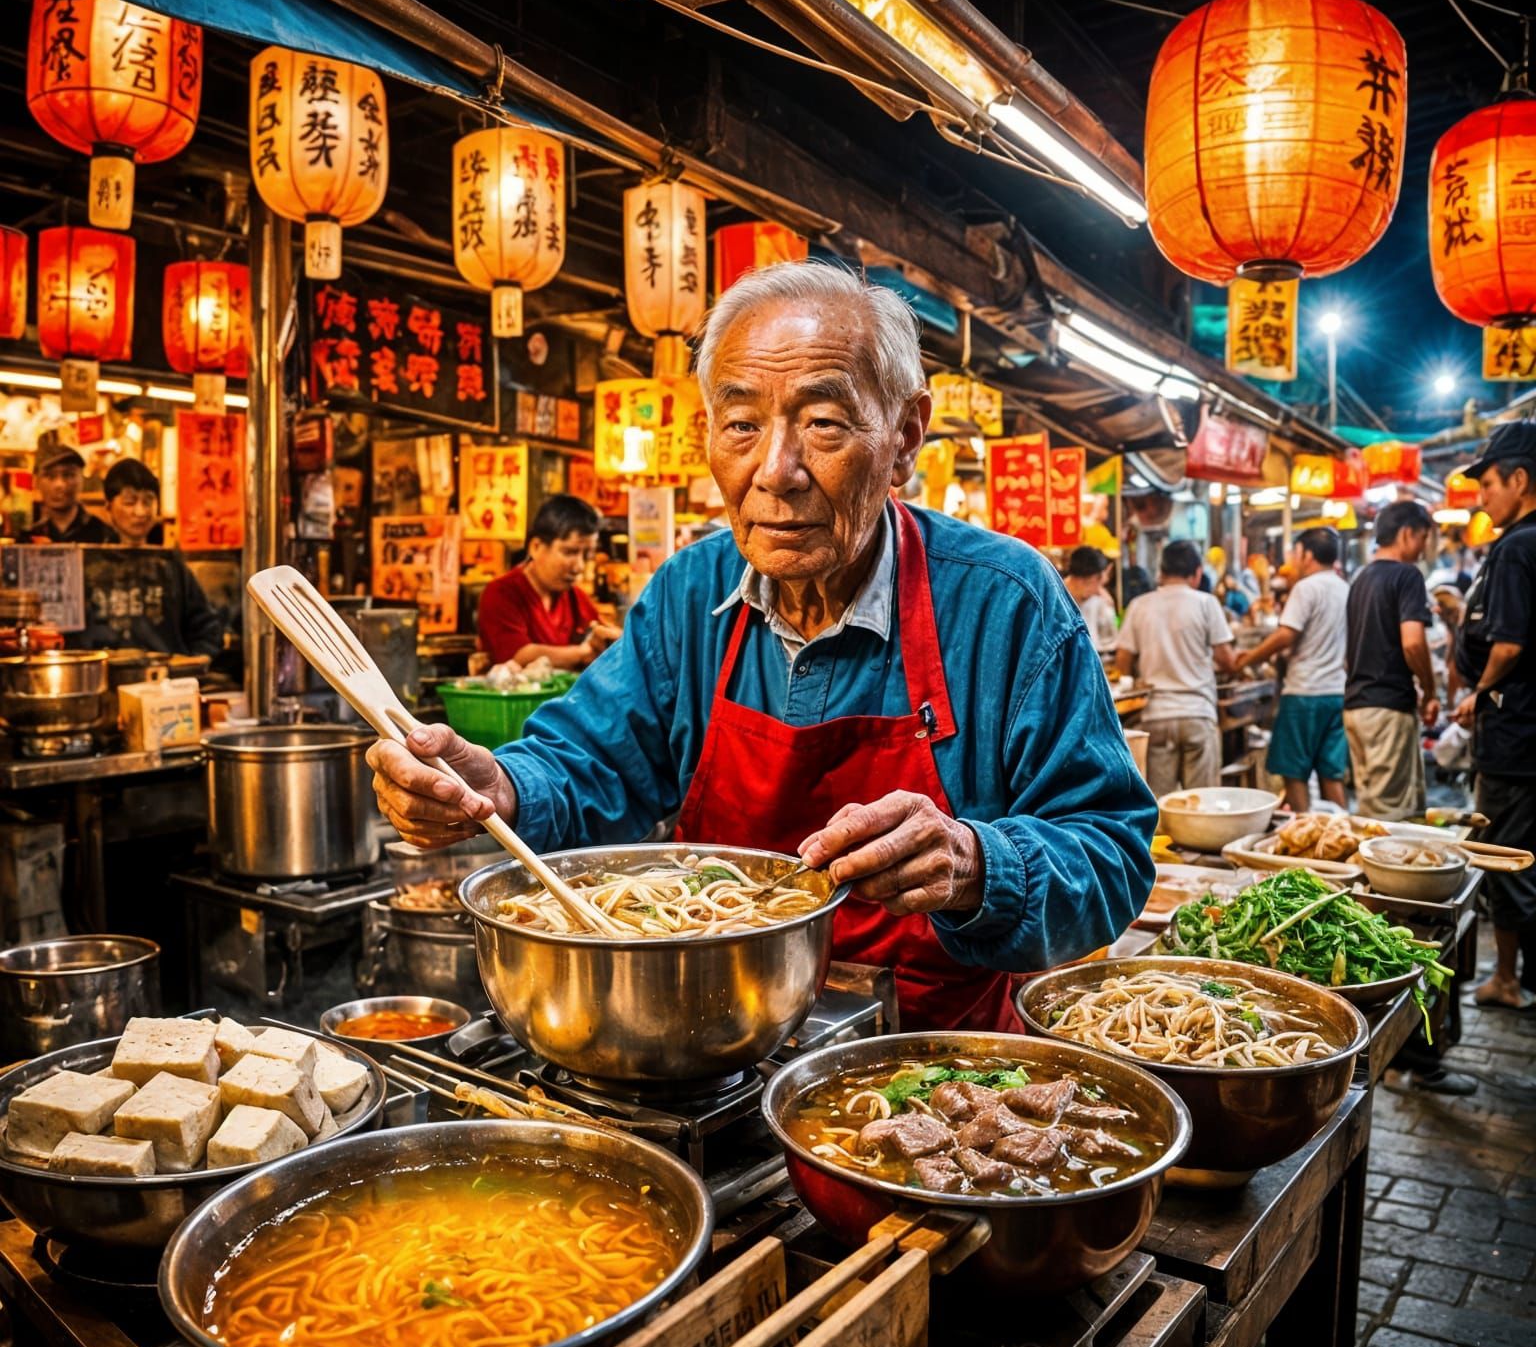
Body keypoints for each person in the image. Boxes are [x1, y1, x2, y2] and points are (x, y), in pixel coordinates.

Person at [368, 262, 1156, 1031]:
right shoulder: (689, 594)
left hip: (937, 1072)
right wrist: (499, 786)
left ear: (906, 433)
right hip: (708, 1035)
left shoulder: (1004, 600)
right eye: (743, 424)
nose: (776, 472)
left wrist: (976, 862)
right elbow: (594, 763)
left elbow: (1111, 854)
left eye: (823, 423)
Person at [1451, 423, 1536, 1011]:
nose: (1482, 496)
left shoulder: (1515, 548)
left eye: (1488, 483)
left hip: (1515, 735)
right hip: (1527, 731)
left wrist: (1476, 694)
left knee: (1505, 858)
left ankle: (1508, 978)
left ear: (1520, 479)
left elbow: (1507, 644)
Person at [1235, 528, 1349, 812]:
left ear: (1307, 554)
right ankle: (1342, 836)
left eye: (1296, 552)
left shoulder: (1306, 588)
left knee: (1294, 772)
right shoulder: (1345, 587)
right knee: (1331, 774)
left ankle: (1302, 831)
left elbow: (1286, 635)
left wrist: (1248, 659)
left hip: (1304, 692)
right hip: (1337, 692)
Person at [1115, 540, 1239, 798]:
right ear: (1196, 573)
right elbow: (1227, 660)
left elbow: (1122, 659)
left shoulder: (1139, 605)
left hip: (1155, 717)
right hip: (1198, 714)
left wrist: (1134, 676)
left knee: (1161, 807)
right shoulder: (1206, 603)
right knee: (1202, 806)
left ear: (1161, 572)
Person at [1344, 500, 1439, 819]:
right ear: (1407, 533)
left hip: (1357, 708)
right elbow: (1413, 643)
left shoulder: (1360, 578)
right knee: (1390, 818)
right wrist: (1430, 690)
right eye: (1423, 538)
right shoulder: (1407, 576)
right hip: (1387, 709)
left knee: (1372, 807)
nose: (1424, 548)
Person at [79, 459, 224, 657]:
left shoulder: (169, 563)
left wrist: (193, 664)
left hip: (163, 681)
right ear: (108, 507)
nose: (140, 511)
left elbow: (208, 626)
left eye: (148, 501)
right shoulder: (89, 563)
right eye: (129, 502)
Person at [476, 495, 621, 669]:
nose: (579, 566)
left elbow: (602, 632)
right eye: (569, 552)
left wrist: (612, 640)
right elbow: (519, 656)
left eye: (587, 555)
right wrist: (584, 652)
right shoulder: (501, 593)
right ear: (536, 547)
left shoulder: (575, 596)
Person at [29, 429, 115, 543]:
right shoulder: (28, 538)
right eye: (50, 476)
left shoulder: (104, 536)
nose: (60, 484)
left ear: (81, 479)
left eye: (68, 475)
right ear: (37, 481)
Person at [1062, 546, 1117, 651]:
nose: (1098, 590)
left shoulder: (1097, 600)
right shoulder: (1056, 599)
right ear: (1093, 578)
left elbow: (1110, 638)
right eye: (1099, 584)